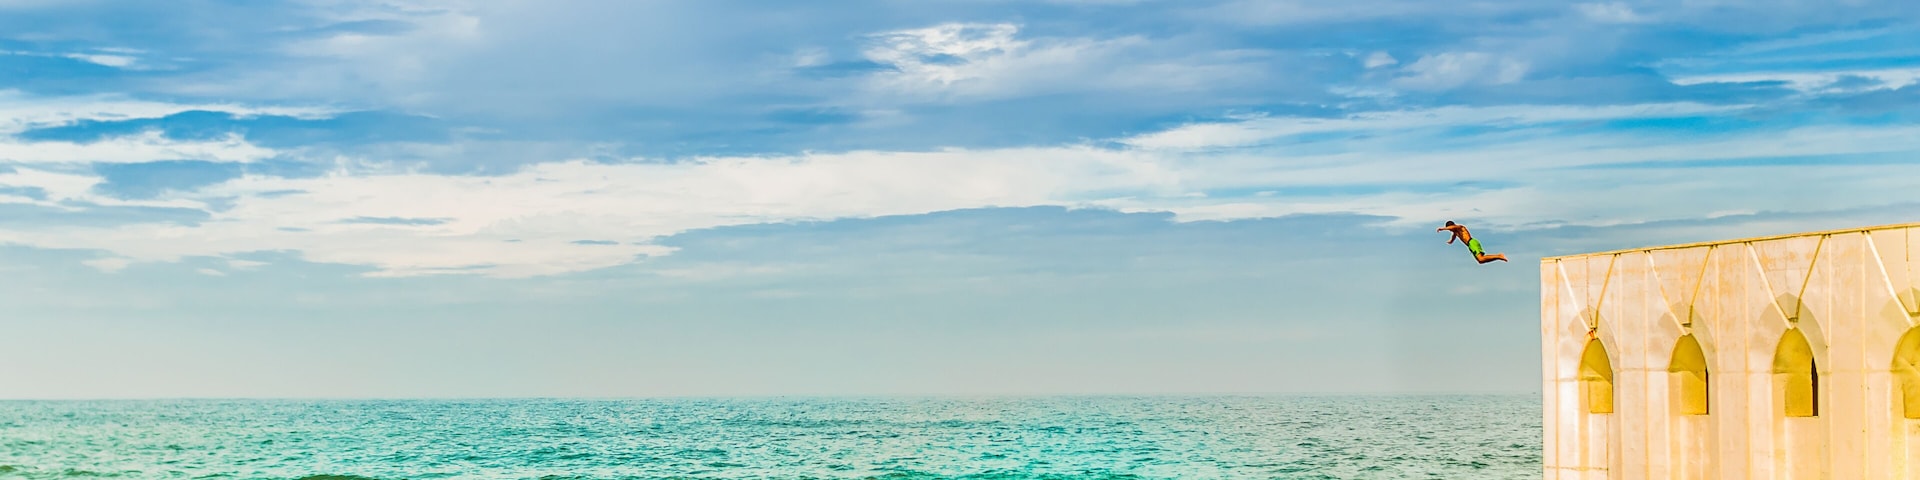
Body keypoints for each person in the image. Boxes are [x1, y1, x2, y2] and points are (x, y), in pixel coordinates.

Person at [1438, 221, 1508, 264]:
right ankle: (1498, 257)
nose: (1450, 230)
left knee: (1481, 258)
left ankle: (1499, 256)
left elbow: (1453, 227)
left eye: (1450, 229)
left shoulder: (1460, 227)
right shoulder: (1455, 232)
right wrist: (1450, 241)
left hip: (1472, 242)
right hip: (1470, 245)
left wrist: (1442, 229)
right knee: (1480, 261)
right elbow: (1453, 236)